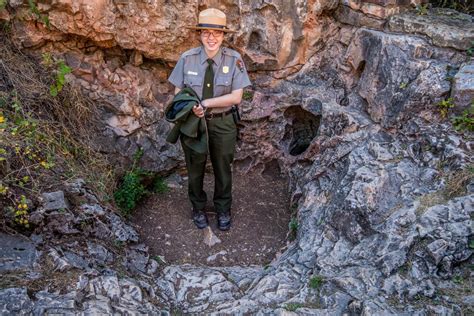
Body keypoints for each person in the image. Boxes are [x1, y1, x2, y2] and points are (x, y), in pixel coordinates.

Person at [168, 8, 251, 231]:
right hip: (194, 123)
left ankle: (223, 209)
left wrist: (205, 103)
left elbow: (236, 97)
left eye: (216, 33)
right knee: (194, 167)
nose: (211, 37)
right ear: (199, 34)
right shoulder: (187, 59)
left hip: (223, 123)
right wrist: (191, 107)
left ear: (223, 35)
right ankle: (198, 207)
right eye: (206, 32)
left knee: (223, 168)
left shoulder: (234, 60)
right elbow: (178, 93)